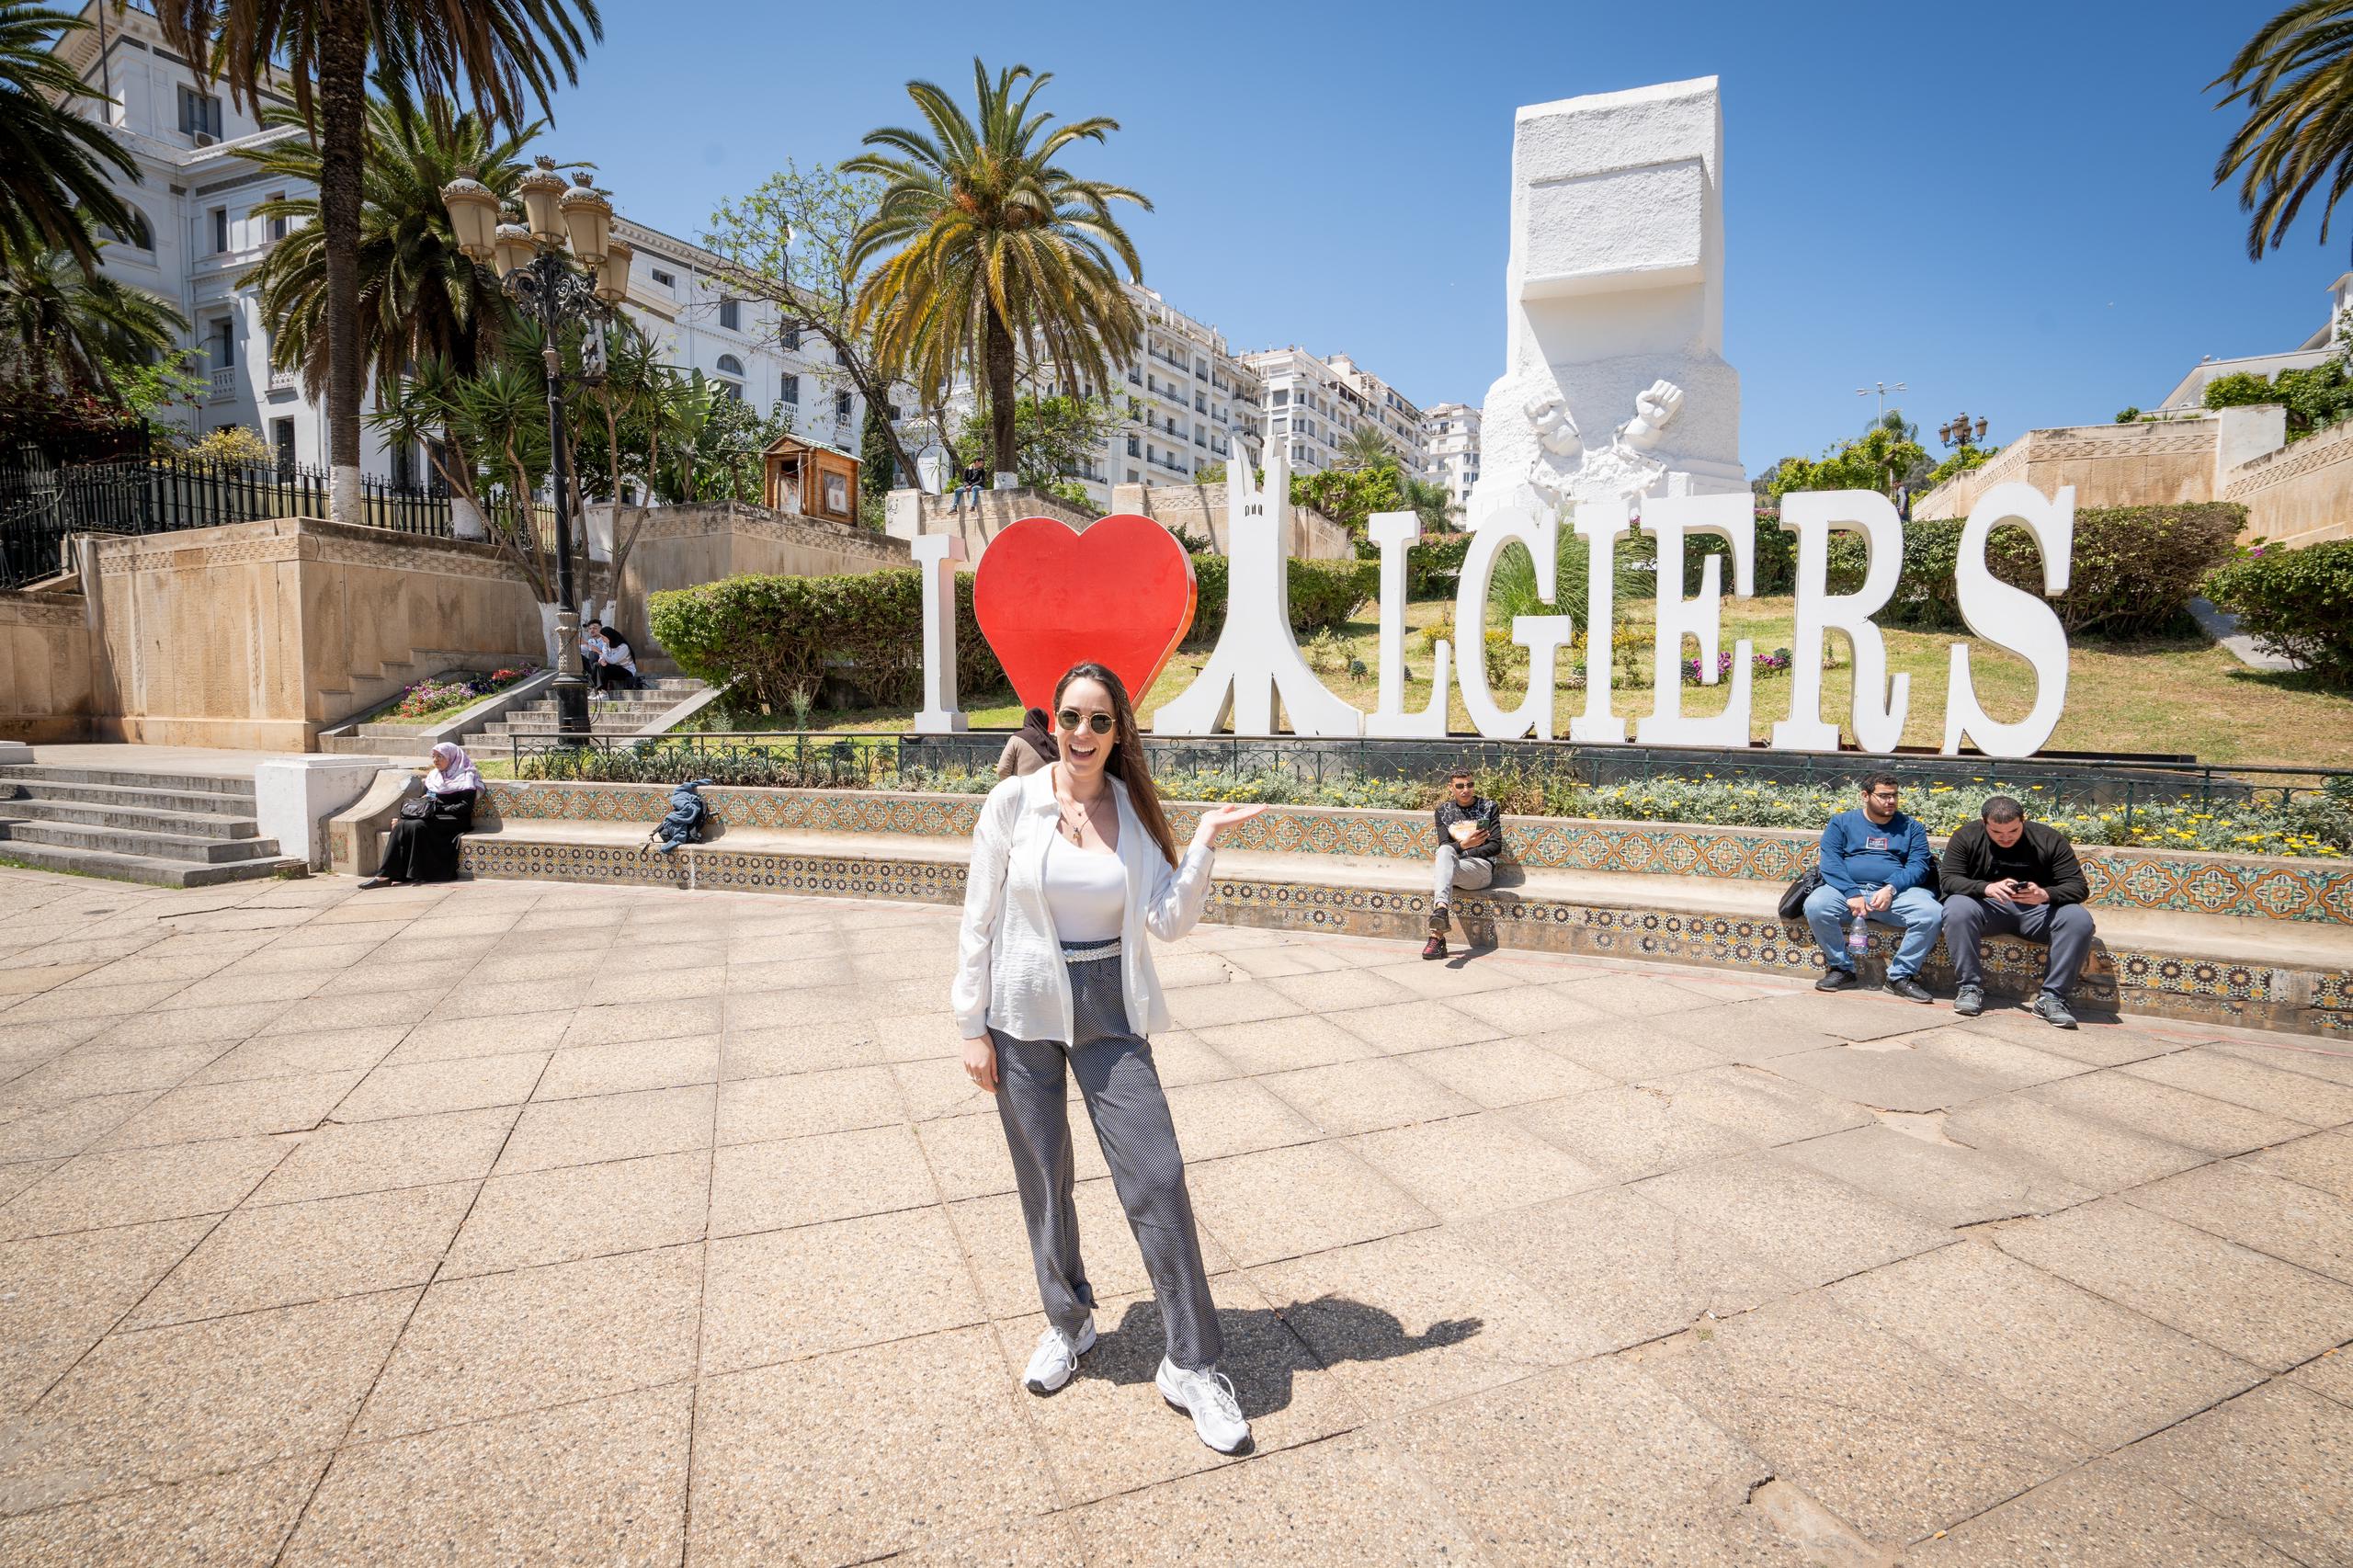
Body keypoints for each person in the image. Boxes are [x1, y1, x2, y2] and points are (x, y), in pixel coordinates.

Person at [955, 660, 1266, 1455]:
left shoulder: (1131, 809)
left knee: (1157, 1174)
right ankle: (1069, 1322)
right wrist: (970, 1024)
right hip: (1022, 1007)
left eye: (1099, 720)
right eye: (1069, 718)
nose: (1083, 733)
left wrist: (1201, 842)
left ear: (1119, 730)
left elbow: (1166, 920)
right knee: (1044, 1176)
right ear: (1050, 724)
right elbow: (978, 917)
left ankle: (1191, 1363)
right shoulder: (1012, 803)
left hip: (1110, 1010)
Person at [1938, 794, 2095, 1029]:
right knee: (1956, 908)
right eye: (1997, 832)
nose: (2005, 838)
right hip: (1986, 909)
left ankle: (2052, 998)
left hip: (2039, 912)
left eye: (2013, 831)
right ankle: (1969, 987)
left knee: (2079, 918)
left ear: (2024, 820)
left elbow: (2078, 887)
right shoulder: (1966, 835)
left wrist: (2045, 894)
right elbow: (1949, 880)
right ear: (1984, 823)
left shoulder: (2048, 839)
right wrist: (1986, 888)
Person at [1803, 770, 1941, 1002]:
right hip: (1846, 891)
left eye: (1895, 795)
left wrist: (1891, 888)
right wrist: (1851, 892)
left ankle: (1900, 976)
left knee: (1932, 913)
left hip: (1896, 894)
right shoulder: (1841, 823)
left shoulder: (1911, 827)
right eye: (1884, 796)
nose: (1892, 801)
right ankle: (1842, 968)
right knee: (1816, 905)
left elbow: (1919, 866)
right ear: (1865, 796)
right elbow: (1831, 862)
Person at [363, 743, 481, 888]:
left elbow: (465, 807)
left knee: (418, 826)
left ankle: (420, 873)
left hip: (455, 819)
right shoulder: (433, 776)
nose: (436, 760)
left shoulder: (465, 776)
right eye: (434, 757)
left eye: (440, 756)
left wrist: (438, 808)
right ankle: (386, 875)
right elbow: (424, 799)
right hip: (433, 816)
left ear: (452, 757)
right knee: (402, 826)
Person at [1425, 767, 1503, 960]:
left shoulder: (1488, 807)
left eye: (1470, 784)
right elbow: (1445, 846)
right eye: (1460, 786)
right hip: (1455, 866)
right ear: (1451, 787)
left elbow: (1495, 846)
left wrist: (1466, 849)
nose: (1466, 789)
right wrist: (1463, 844)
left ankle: (1437, 937)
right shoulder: (1443, 812)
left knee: (1443, 872)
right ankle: (1440, 914)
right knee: (1443, 853)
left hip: (1481, 869)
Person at [996, 707, 1059, 779]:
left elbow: (1002, 770)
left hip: (1022, 789)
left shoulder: (1017, 738)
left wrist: (1014, 786)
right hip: (1048, 789)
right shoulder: (1053, 744)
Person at [594, 625, 641, 692]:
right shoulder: (606, 644)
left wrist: (600, 653)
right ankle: (595, 690)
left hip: (627, 672)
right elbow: (603, 656)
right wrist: (601, 660)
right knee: (596, 665)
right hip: (614, 669)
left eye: (603, 637)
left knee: (603, 667)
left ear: (609, 637)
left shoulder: (623, 647)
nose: (602, 639)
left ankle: (604, 692)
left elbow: (612, 660)